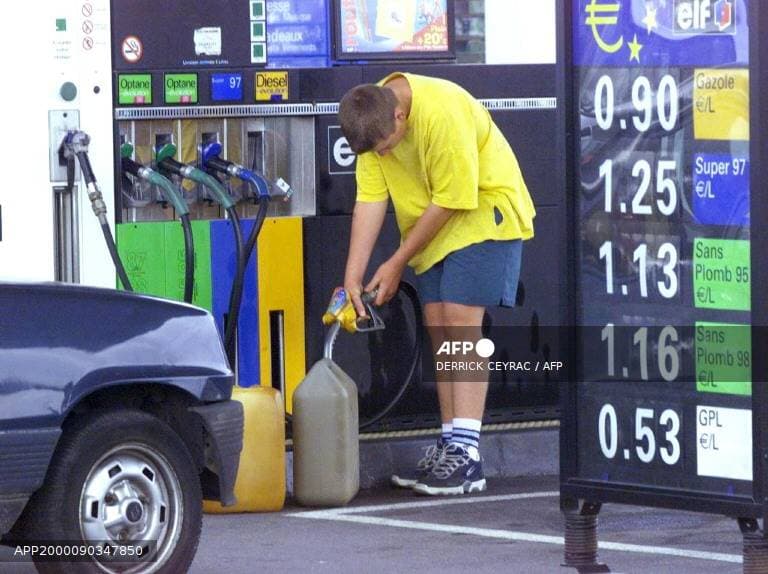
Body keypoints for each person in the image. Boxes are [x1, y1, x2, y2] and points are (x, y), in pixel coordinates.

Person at [339, 72, 535, 495]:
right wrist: (352, 276)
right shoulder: (372, 122)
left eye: (388, 147)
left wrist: (394, 263)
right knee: (438, 325)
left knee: (460, 322)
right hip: (433, 226)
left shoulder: (442, 109)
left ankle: (468, 455)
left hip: (483, 212)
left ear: (400, 112)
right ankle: (451, 444)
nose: (385, 155)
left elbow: (453, 197)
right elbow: (370, 201)